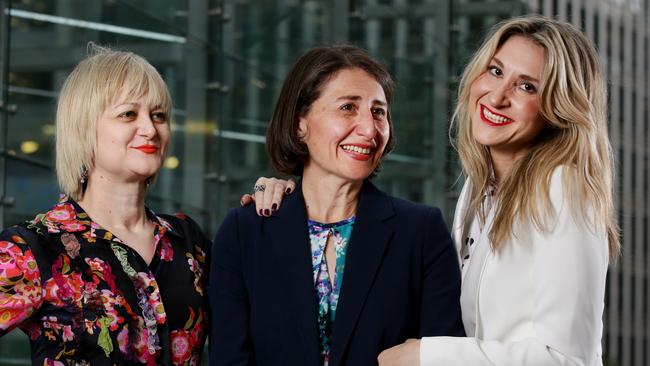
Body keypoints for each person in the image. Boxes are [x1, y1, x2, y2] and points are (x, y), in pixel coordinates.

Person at [252, 15, 619, 366]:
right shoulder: (480, 190)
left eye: (527, 86)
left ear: (559, 106)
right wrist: (298, 196)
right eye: (495, 71)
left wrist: (429, 356)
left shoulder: (564, 188)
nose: (497, 96)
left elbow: (569, 359)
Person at [209, 45, 464, 366]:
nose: (370, 129)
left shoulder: (421, 231)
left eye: (378, 111)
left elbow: (443, 354)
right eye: (347, 107)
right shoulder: (245, 231)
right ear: (300, 123)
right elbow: (229, 357)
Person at [0, 46, 210, 365]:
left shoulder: (188, 240)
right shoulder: (34, 248)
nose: (150, 129)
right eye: (128, 114)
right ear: (84, 128)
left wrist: (280, 194)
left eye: (159, 116)